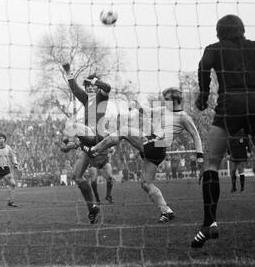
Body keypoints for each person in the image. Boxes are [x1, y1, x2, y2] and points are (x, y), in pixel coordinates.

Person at [191, 14, 255, 248]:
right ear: (242, 30)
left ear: (219, 32)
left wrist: (204, 95)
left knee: (211, 164)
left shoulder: (214, 49)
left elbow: (203, 66)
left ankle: (210, 223)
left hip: (231, 104)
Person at [85, 87, 204, 222]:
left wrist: (200, 159)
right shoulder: (165, 110)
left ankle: (93, 150)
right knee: (145, 183)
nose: (165, 102)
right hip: (156, 148)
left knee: (124, 130)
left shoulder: (183, 117)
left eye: (167, 100)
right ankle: (166, 211)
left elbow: (196, 136)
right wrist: (136, 103)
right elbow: (148, 112)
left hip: (156, 145)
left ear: (176, 100)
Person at [62, 63, 111, 224]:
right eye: (87, 86)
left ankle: (70, 143)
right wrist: (68, 72)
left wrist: (95, 81)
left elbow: (108, 87)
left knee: (71, 126)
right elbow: (75, 89)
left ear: (96, 88)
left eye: (91, 86)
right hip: (88, 143)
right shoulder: (86, 99)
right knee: (77, 177)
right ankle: (92, 208)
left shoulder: (101, 97)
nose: (89, 89)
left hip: (96, 137)